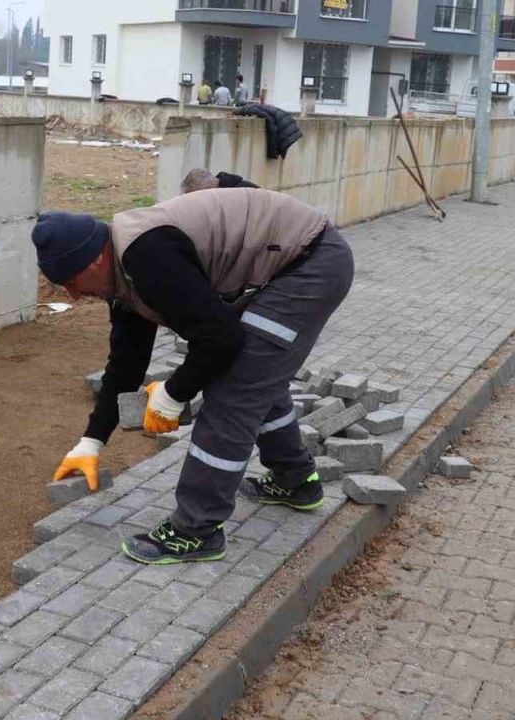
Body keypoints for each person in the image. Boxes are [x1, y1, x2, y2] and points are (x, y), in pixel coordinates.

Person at [32, 187, 355, 565]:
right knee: (255, 375)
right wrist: (91, 443)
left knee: (233, 390)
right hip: (296, 261)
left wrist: (173, 394)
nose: (72, 296)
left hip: (311, 265)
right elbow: (125, 364)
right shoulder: (123, 274)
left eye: (69, 283)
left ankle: (196, 530)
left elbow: (221, 339)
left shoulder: (146, 256)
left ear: (93, 262)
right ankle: (296, 481)